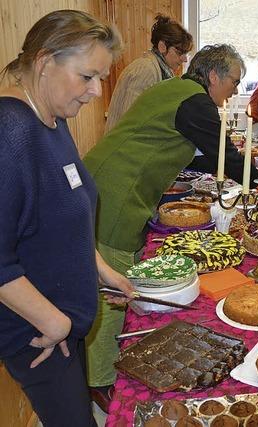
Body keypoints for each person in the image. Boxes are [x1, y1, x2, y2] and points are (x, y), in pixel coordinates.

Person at [83, 44, 258, 410]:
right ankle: (99, 380)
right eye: (234, 81)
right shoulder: (196, 102)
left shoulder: (179, 91)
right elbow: (222, 155)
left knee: (117, 284)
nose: (235, 90)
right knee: (112, 288)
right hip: (114, 192)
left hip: (111, 182)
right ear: (213, 76)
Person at [0, 10, 133, 426]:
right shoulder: (10, 133)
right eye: (87, 76)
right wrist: (53, 321)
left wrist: (99, 268)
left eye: (101, 78)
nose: (96, 91)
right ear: (44, 63)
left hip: (64, 324)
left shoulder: (51, 118)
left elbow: (64, 215)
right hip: (37, 335)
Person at [105, 14, 192, 131]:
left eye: (185, 53)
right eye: (179, 52)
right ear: (162, 46)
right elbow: (131, 122)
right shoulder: (146, 70)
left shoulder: (158, 69)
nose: (184, 59)